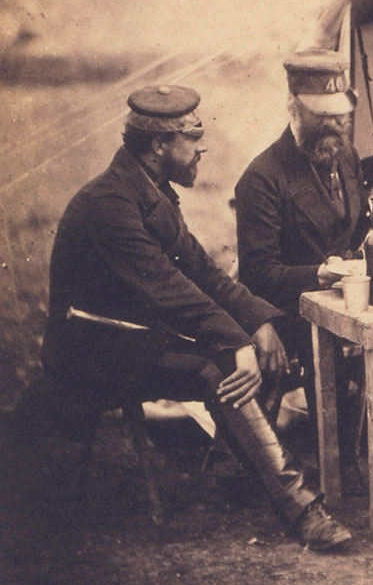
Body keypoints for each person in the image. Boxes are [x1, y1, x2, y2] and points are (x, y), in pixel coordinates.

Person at [23, 83, 353, 552]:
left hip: (135, 339)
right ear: (159, 146)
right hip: (91, 349)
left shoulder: (150, 189)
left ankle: (238, 471)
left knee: (261, 341)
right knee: (215, 367)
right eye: (193, 138)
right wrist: (237, 341)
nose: (203, 147)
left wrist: (258, 322)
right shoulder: (110, 204)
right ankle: (301, 507)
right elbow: (169, 288)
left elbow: (204, 273)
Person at [234, 49, 368, 441]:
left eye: (339, 115)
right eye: (320, 115)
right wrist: (321, 274)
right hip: (290, 311)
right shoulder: (263, 178)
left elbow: (350, 228)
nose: (333, 126)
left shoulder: (347, 157)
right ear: (293, 108)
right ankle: (339, 458)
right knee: (323, 341)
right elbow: (258, 273)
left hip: (344, 297)